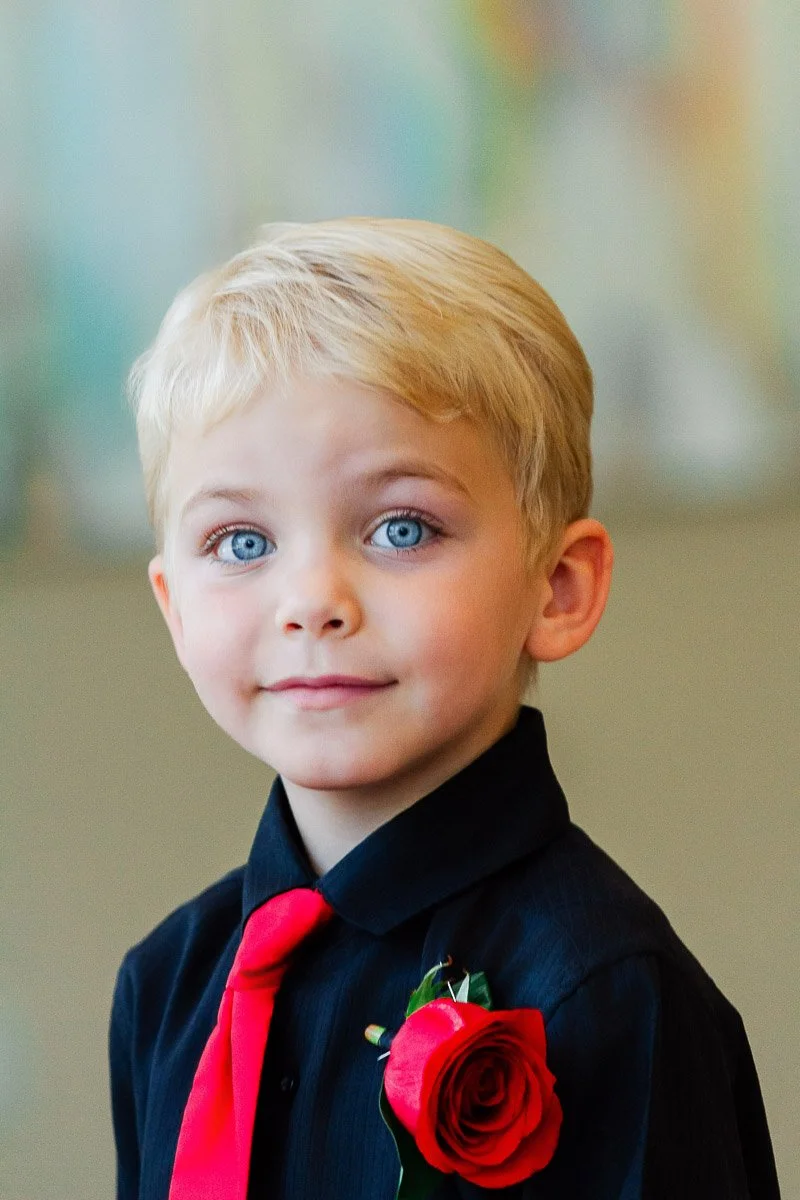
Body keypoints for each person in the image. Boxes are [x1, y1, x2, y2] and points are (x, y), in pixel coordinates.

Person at [109, 217, 780, 1199]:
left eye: (400, 526)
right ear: (173, 607)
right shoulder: (168, 984)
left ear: (555, 587)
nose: (311, 601)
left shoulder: (603, 989)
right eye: (242, 542)